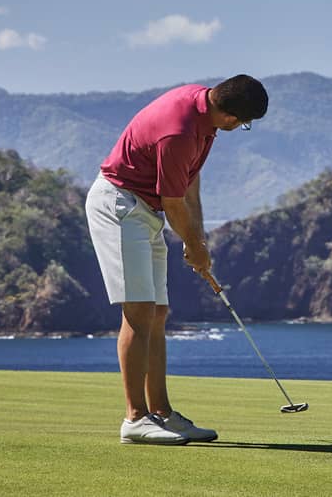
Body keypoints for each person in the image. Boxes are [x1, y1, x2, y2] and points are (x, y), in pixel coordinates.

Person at [85, 74, 268, 445]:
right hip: (119, 206)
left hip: (145, 212)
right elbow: (172, 202)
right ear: (232, 116)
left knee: (157, 313)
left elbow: (188, 183)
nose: (239, 127)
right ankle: (135, 419)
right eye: (244, 122)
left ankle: (162, 414)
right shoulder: (180, 130)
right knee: (137, 311)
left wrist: (196, 241)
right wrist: (194, 246)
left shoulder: (204, 116)